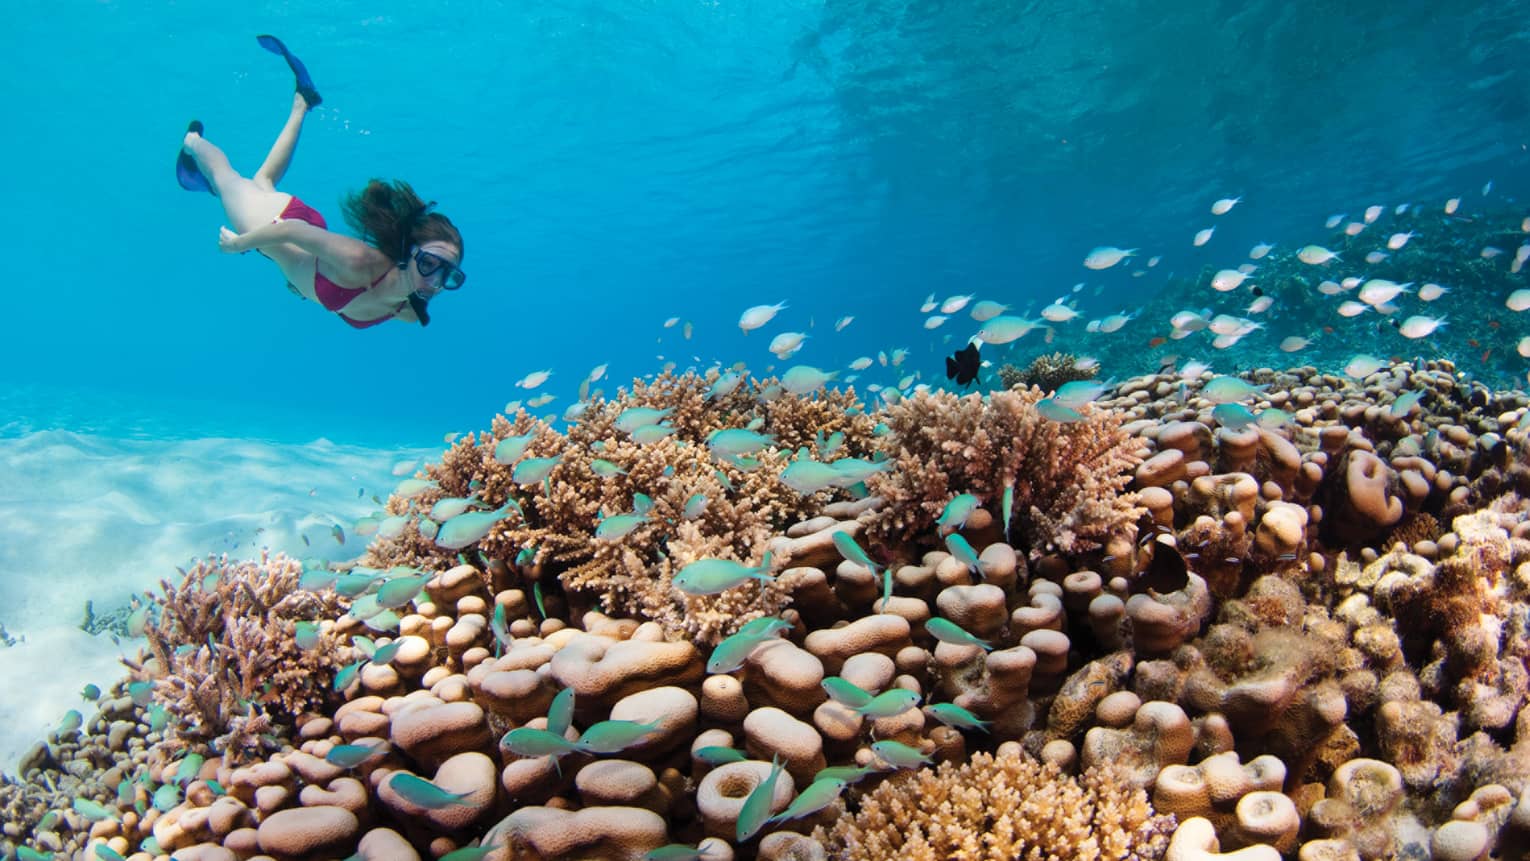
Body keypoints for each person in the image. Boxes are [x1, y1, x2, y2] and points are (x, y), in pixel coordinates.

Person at [176, 35, 465, 328]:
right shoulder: (360, 263)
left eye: (449, 275)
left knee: (262, 182)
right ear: (409, 253)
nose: (436, 282)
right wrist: (238, 245)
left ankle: (302, 102)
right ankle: (193, 142)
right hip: (274, 223)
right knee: (227, 179)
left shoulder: (408, 310)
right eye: (429, 264)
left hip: (302, 244)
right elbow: (289, 231)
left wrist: (303, 287)